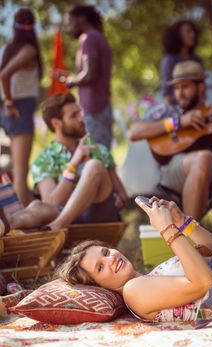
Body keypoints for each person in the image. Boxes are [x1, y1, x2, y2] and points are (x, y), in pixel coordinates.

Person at [57, 196, 212, 328]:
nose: (111, 259)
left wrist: (182, 221)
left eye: (106, 252)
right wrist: (166, 228)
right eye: (100, 267)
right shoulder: (133, 291)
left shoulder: (150, 278)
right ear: (99, 286)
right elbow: (207, 282)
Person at [0, 92, 127, 233]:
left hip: (98, 213)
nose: (81, 118)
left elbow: (122, 193)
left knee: (94, 165)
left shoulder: (99, 149)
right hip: (68, 218)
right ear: (56, 123)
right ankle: (8, 222)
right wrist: (74, 163)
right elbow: (52, 203)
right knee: (38, 205)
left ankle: (58, 225)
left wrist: (120, 198)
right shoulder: (44, 160)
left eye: (80, 113)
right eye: (74, 115)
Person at [128, 60, 212, 221]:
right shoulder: (167, 111)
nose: (180, 93)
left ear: (201, 87)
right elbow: (134, 132)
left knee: (207, 158)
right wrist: (178, 122)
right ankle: (189, 236)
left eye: (185, 87)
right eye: (176, 88)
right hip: (174, 171)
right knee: (203, 157)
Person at [0, 7, 43, 206]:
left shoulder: (10, 49)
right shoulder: (28, 50)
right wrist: (9, 102)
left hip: (15, 107)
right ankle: (24, 219)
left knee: (18, 171)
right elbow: (4, 75)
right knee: (21, 172)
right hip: (20, 107)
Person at [58, 4, 113, 149]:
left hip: (95, 107)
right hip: (101, 104)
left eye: (70, 23)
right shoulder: (96, 37)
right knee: (101, 153)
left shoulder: (89, 38)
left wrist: (71, 81)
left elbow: (90, 75)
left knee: (98, 154)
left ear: (81, 18)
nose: (69, 28)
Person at [160, 20, 202, 105]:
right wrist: (176, 116)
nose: (193, 34)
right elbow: (166, 91)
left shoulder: (196, 59)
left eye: (193, 31)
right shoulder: (169, 60)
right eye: (188, 31)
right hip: (178, 108)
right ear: (178, 35)